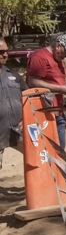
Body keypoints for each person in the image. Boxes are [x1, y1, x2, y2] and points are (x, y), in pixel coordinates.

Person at [26, 34, 66, 151]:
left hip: (57, 110)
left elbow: (55, 81)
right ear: (58, 45)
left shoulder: (58, 58)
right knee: (47, 149)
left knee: (60, 148)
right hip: (44, 110)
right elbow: (33, 81)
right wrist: (61, 89)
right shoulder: (40, 56)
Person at [0, 38, 28, 170]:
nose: (5, 55)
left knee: (36, 155)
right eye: (1, 52)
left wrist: (25, 117)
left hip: (17, 129)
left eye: (6, 51)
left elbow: (28, 96)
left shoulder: (13, 75)